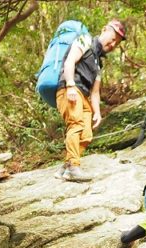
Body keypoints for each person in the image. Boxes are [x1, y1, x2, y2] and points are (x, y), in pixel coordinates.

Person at [54, 19, 126, 183]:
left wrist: (97, 113)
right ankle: (73, 167)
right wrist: (70, 84)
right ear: (104, 30)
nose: (113, 44)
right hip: (70, 89)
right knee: (75, 125)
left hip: (84, 95)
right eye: (113, 38)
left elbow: (95, 92)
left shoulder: (98, 63)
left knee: (86, 134)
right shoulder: (85, 40)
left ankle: (66, 167)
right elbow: (70, 61)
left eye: (116, 43)